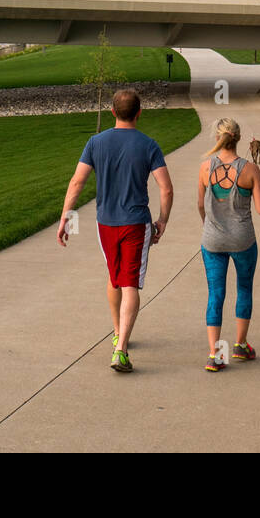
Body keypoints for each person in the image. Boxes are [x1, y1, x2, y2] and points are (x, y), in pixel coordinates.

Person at [57, 88, 174, 373]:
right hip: (135, 222)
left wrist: (65, 218)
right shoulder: (149, 145)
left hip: (105, 221)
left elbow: (77, 183)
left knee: (114, 275)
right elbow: (166, 188)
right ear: (139, 113)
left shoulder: (96, 142)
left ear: (112, 112)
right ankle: (120, 351)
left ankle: (116, 333)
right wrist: (162, 221)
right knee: (130, 281)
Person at [197, 117, 260, 371]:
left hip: (212, 240)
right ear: (238, 139)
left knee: (216, 293)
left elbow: (199, 204)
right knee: (244, 288)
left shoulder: (206, 167)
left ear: (218, 139)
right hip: (243, 240)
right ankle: (240, 345)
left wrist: (210, 224)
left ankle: (214, 354)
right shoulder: (249, 169)